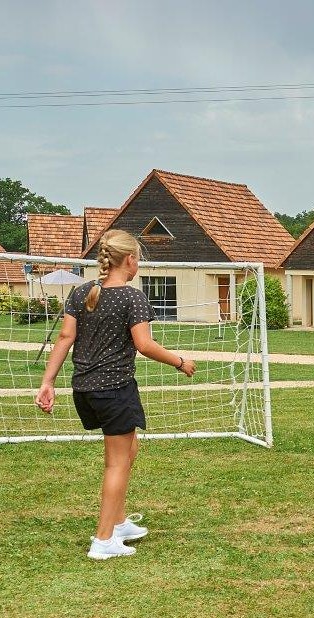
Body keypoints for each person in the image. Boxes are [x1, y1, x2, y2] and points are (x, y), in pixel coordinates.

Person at [34, 229, 197, 561]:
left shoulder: (81, 293)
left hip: (84, 390)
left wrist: (48, 381)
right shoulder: (132, 297)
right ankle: (103, 540)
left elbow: (65, 337)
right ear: (131, 260)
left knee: (129, 448)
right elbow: (144, 344)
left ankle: (119, 522)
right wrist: (180, 362)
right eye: (139, 259)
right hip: (114, 391)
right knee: (117, 464)